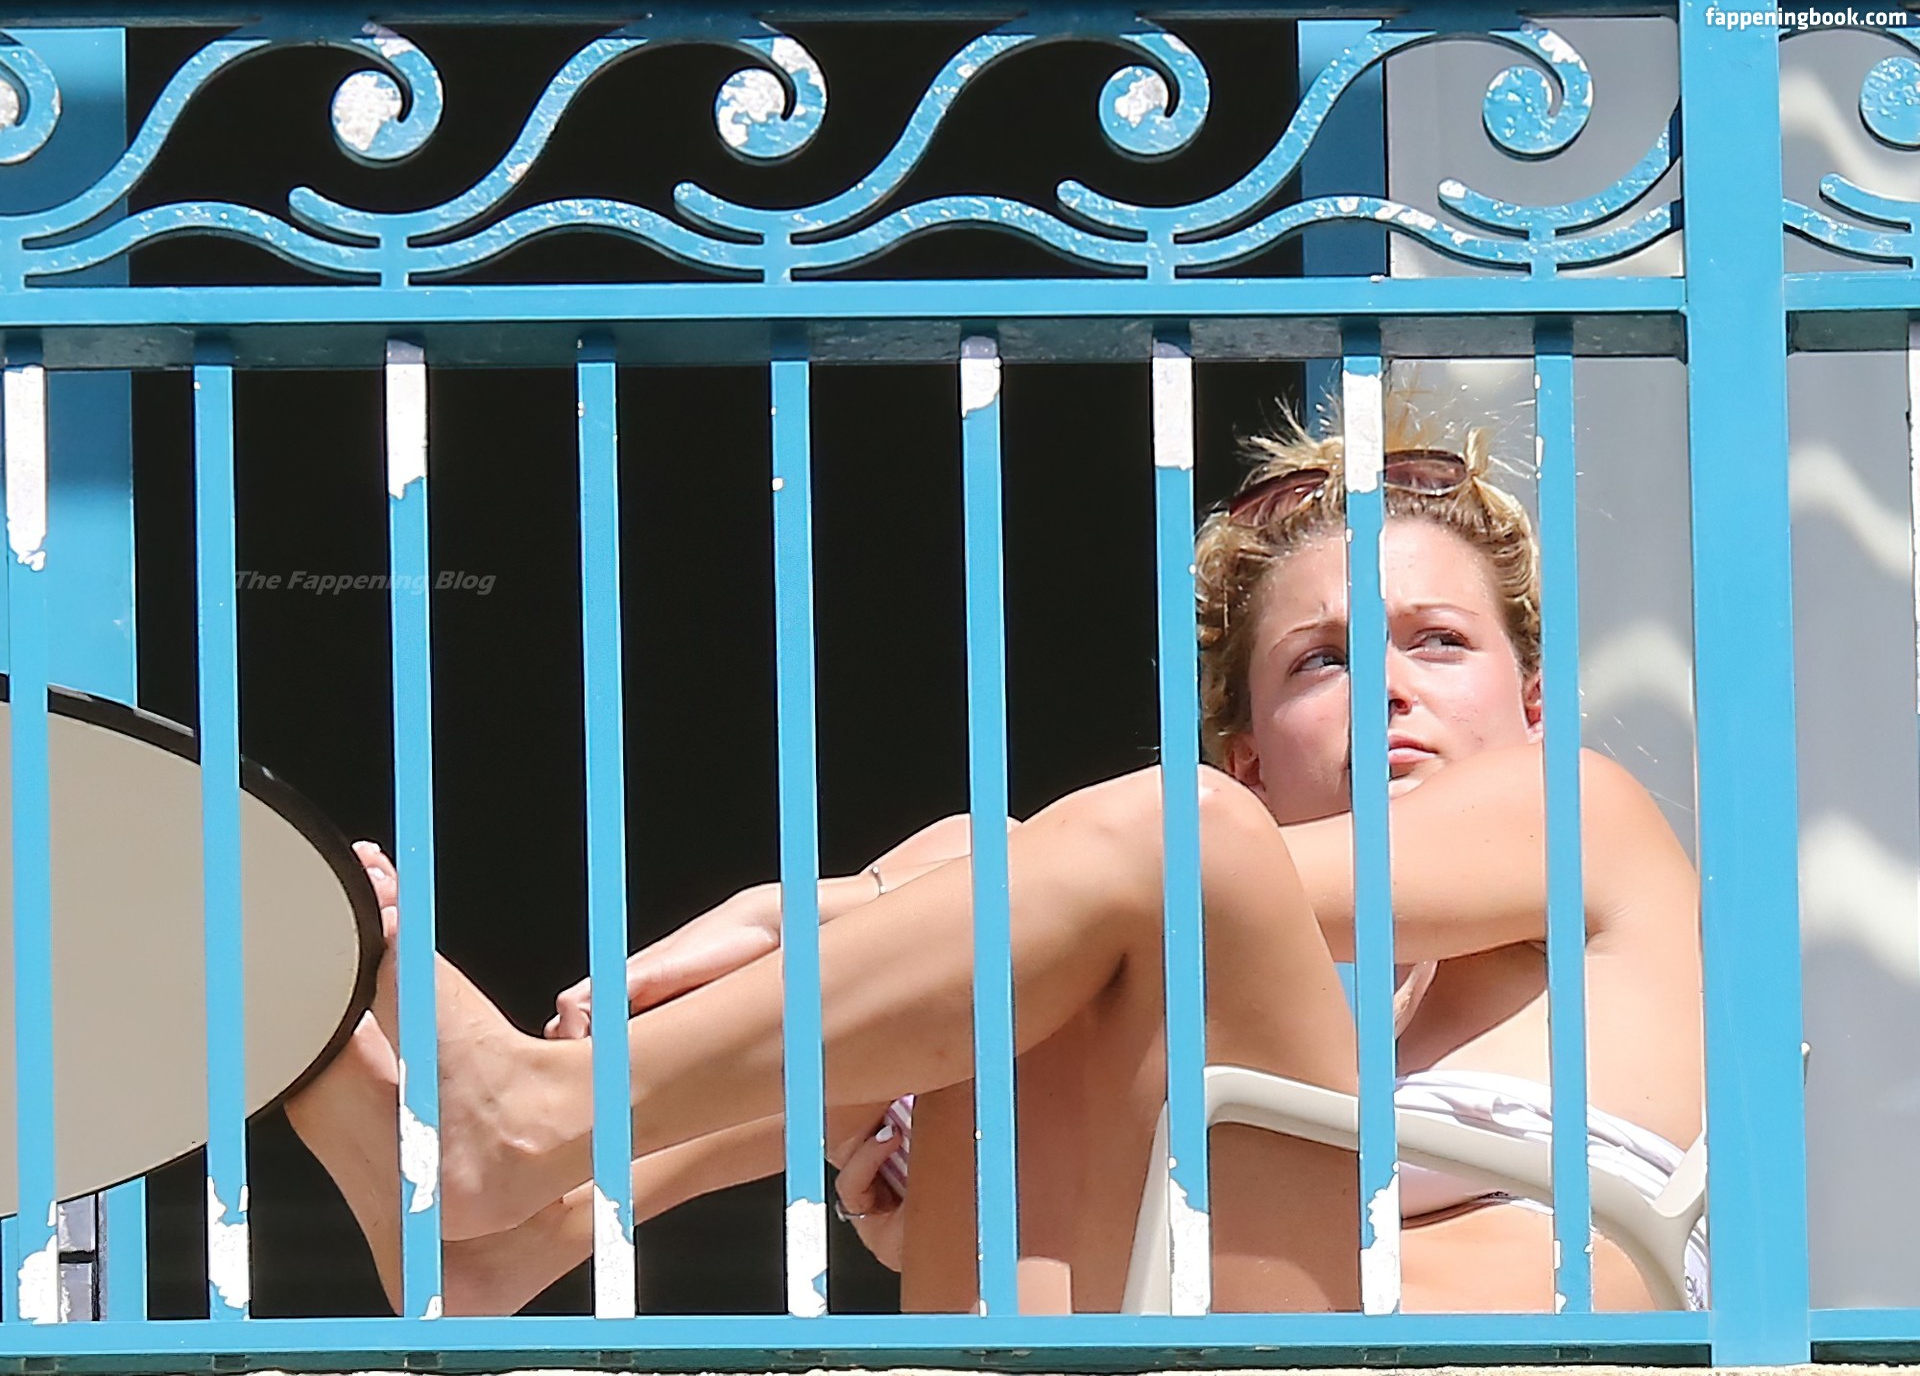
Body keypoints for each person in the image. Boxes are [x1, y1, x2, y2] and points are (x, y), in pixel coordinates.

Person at [287, 388, 1703, 1316]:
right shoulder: (1266, 998)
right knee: (1017, 937)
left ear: (1531, 706)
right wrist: (900, 1168)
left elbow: (1170, 860)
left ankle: (539, 1121)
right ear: (1252, 754)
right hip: (1177, 1333)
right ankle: (518, 1234)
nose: (1388, 686)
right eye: (1322, 659)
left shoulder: (1586, 820)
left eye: (1439, 642)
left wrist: (808, 909)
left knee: (1103, 868)